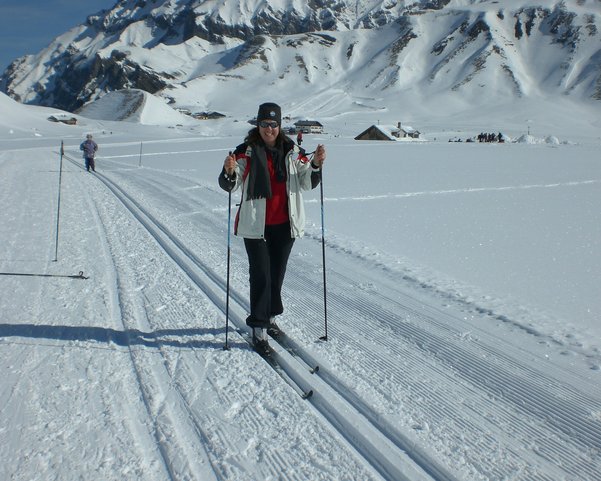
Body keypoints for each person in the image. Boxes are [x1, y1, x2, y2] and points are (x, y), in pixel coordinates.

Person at [219, 102, 326, 355]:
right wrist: (229, 172)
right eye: (265, 124)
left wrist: (316, 165)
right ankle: (258, 326)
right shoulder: (244, 152)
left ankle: (270, 318)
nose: (269, 129)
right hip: (255, 226)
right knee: (261, 275)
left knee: (276, 276)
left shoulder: (292, 150)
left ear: (279, 125)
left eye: (273, 124)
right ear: (258, 125)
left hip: (284, 225)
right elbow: (231, 186)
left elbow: (305, 182)